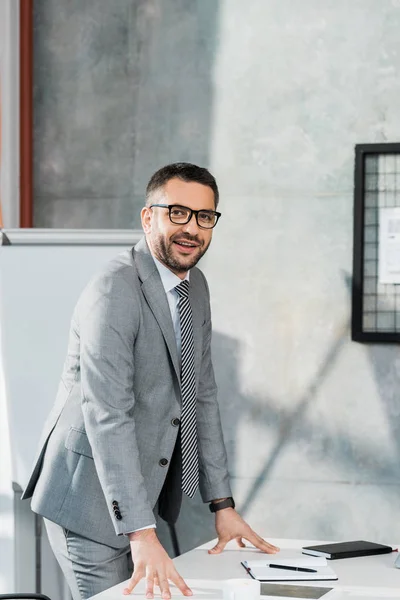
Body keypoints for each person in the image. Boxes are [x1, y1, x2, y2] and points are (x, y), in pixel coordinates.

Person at [22, 162, 278, 600]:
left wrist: (223, 505)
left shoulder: (194, 286)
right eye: (177, 212)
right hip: (86, 502)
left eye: (204, 217)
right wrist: (141, 534)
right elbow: (107, 414)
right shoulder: (114, 289)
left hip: (137, 497)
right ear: (148, 217)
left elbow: (203, 396)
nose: (192, 228)